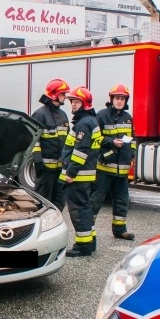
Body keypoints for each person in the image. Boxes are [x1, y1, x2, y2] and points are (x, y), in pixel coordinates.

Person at [59, 86, 102, 257]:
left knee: (78, 210)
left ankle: (83, 246)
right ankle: (90, 242)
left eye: (77, 102)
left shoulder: (83, 124)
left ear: (85, 104)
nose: (73, 105)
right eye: (72, 101)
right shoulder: (91, 121)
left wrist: (71, 173)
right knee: (86, 208)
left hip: (78, 175)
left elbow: (80, 151)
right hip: (86, 174)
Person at [90, 83, 136, 241]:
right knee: (96, 200)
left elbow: (133, 138)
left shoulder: (128, 118)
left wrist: (132, 153)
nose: (119, 101)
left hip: (121, 170)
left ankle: (120, 230)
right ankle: (88, 231)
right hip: (105, 168)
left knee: (122, 200)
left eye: (122, 98)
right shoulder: (102, 116)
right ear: (111, 99)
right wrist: (111, 142)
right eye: (117, 98)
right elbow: (95, 138)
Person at [30, 78, 70, 210]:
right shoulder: (40, 114)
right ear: (55, 94)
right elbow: (33, 140)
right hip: (45, 170)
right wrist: (38, 161)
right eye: (63, 94)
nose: (65, 97)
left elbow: (68, 141)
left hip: (60, 170)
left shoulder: (63, 115)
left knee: (59, 203)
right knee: (42, 203)